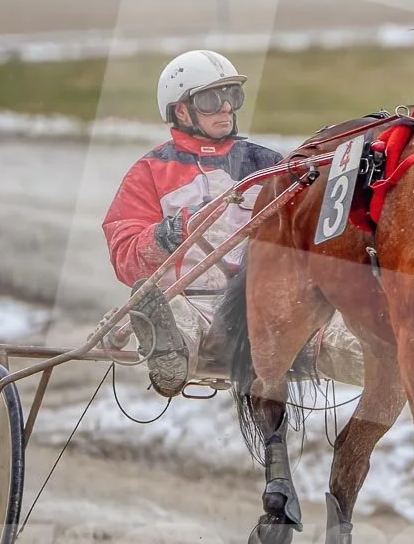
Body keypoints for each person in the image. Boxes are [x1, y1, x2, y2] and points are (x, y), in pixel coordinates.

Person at [102, 49, 284, 396]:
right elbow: (125, 257)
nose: (226, 108)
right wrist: (162, 237)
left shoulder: (268, 164)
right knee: (169, 309)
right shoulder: (149, 172)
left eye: (232, 96)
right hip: (189, 301)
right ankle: (170, 356)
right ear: (181, 110)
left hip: (258, 302)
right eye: (211, 100)